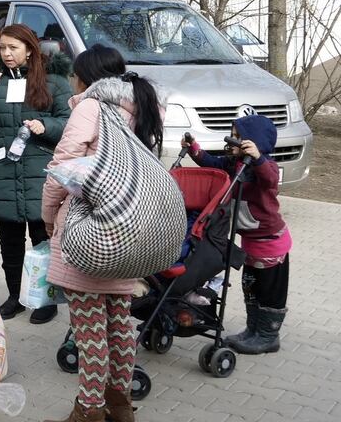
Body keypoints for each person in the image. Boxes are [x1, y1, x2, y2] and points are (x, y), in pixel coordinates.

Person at [41, 44, 165, 422]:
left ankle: (90, 411)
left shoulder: (91, 108)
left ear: (84, 78)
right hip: (130, 232)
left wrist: (49, 217)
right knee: (119, 324)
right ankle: (120, 406)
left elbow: (62, 167)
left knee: (89, 330)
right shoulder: (145, 107)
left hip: (88, 234)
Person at [0, 23, 72, 324]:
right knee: (8, 240)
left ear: (30, 48)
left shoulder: (53, 80)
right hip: (3, 170)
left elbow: (69, 123)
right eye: (3, 48)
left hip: (40, 170)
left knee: (41, 237)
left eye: (13, 48)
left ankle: (45, 300)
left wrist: (45, 126)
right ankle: (14, 296)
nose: (7, 54)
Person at [183, 114, 291, 356]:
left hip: (271, 244)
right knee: (250, 287)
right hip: (251, 242)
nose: (232, 142)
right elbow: (210, 162)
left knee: (269, 292)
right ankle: (252, 330)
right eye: (232, 136)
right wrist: (194, 149)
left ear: (254, 143)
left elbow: (271, 179)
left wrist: (258, 158)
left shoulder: (266, 167)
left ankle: (267, 336)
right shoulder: (234, 164)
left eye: (238, 137)